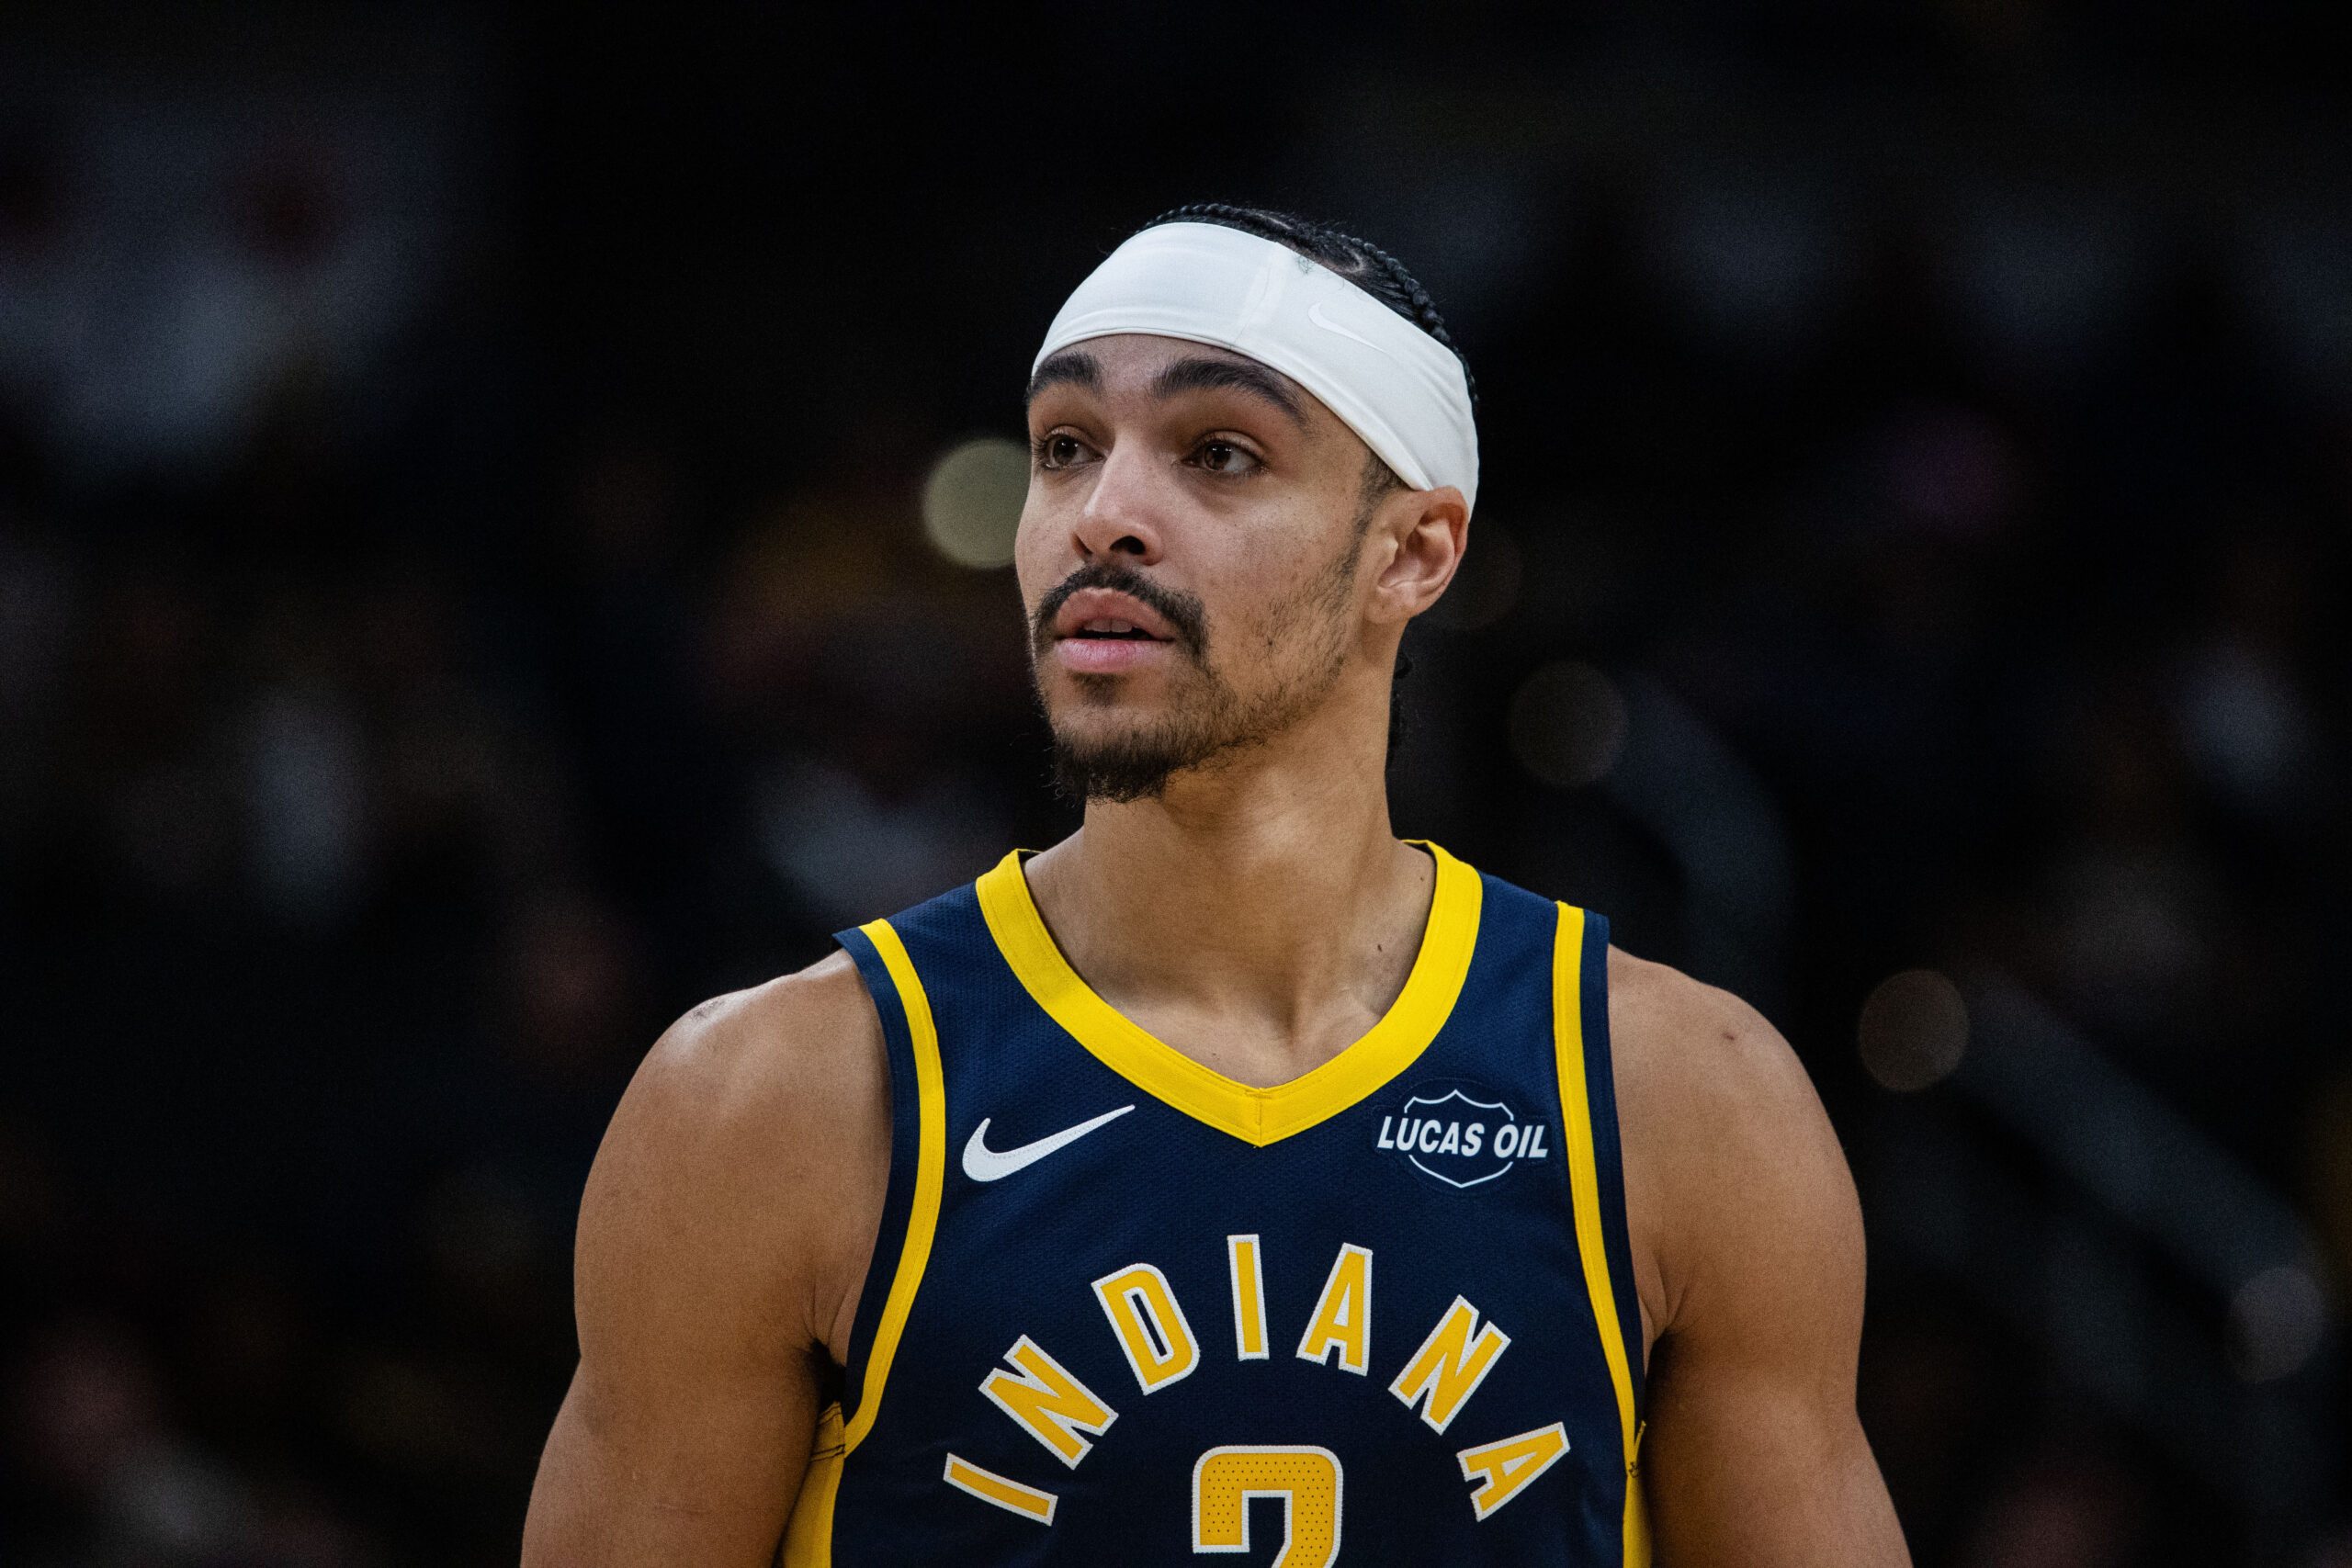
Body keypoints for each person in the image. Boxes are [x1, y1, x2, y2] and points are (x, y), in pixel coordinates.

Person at [520, 203, 1912, 1566]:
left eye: (1222, 454)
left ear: (1414, 552)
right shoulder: (772, 1103)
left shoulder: (1687, 1100)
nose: (1101, 515)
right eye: (1064, 448)